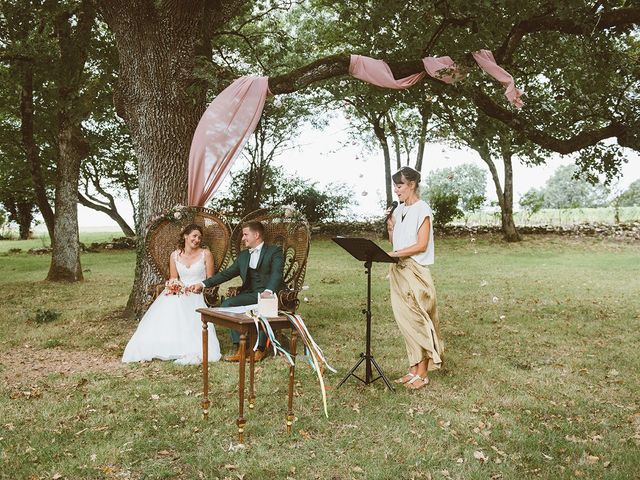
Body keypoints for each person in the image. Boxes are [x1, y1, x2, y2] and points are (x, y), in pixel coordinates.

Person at [122, 224, 222, 365]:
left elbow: (210, 279)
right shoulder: (174, 255)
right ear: (185, 236)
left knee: (186, 304)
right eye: (194, 236)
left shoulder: (206, 254)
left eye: (199, 237)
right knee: (171, 304)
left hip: (197, 292)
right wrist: (175, 286)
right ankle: (166, 343)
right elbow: (173, 278)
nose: (197, 239)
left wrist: (199, 287)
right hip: (180, 292)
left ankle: (189, 345)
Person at [189, 221, 284, 362]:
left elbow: (277, 274)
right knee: (227, 304)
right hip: (251, 294)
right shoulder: (244, 256)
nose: (243, 238)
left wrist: (269, 291)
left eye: (246, 234)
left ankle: (261, 349)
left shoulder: (274, 251)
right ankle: (241, 348)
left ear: (256, 235)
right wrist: (203, 284)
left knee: (265, 304)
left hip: (271, 294)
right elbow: (226, 274)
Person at [385, 166, 444, 390]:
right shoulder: (399, 211)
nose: (396, 190)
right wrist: (391, 227)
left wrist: (395, 254)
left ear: (412, 185)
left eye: (399, 186)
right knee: (406, 321)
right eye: (395, 186)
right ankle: (412, 370)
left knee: (419, 320)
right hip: (399, 271)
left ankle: (423, 373)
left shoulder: (423, 209)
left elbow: (420, 245)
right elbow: (397, 244)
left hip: (416, 271)